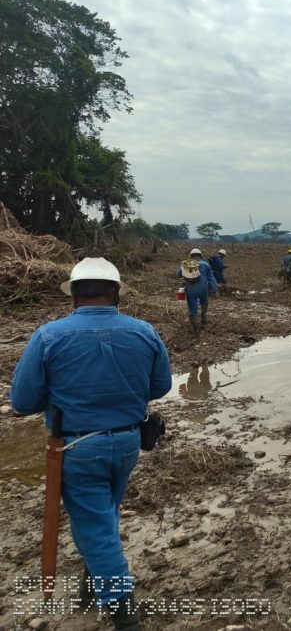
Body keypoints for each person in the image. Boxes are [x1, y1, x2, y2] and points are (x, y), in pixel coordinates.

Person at [10, 257, 172, 630]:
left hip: (77, 448)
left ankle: (125, 615)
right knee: (102, 515)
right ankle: (91, 583)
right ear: (116, 294)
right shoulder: (144, 331)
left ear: (74, 295)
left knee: (97, 524)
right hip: (128, 443)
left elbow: (22, 401)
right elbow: (160, 386)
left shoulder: (49, 336)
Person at [177, 247, 217, 331]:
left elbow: (178, 274)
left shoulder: (185, 264)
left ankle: (194, 323)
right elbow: (211, 278)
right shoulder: (205, 264)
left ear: (191, 256)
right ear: (200, 255)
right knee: (204, 302)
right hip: (203, 288)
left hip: (190, 288)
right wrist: (214, 289)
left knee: (192, 305)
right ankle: (203, 318)